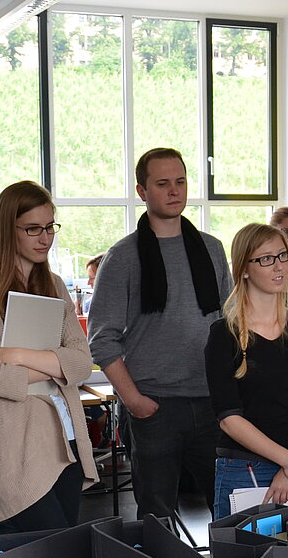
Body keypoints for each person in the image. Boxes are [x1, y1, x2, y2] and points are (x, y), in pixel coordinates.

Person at [88, 148, 230, 524]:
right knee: (157, 518)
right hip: (155, 406)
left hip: (213, 403)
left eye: (180, 181)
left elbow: (230, 323)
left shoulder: (212, 249)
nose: (174, 190)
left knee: (229, 511)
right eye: (162, 183)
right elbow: (101, 338)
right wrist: (135, 401)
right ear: (142, 191)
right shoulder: (122, 257)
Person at [0, 181, 97, 532]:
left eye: (50, 227)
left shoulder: (55, 284)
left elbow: (82, 363)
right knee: (43, 548)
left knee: (64, 550)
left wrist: (18, 355)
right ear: (9, 229)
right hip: (12, 444)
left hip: (65, 435)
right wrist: (56, 365)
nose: (44, 238)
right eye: (33, 229)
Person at [205, 224, 288, 517]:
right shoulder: (224, 334)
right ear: (244, 269)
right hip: (244, 468)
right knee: (242, 549)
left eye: (283, 255)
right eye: (266, 259)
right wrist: (287, 461)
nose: (279, 266)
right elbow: (229, 418)